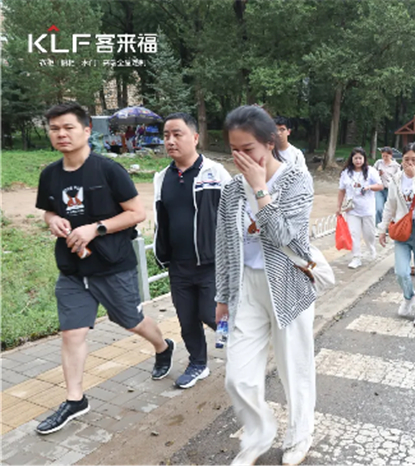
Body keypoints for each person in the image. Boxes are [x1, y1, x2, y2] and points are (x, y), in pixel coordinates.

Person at [34, 102, 173, 435]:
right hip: (72, 268)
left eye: (68, 127)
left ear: (86, 131)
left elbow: (136, 213)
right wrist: (53, 221)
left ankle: (163, 346)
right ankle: (75, 399)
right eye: (55, 129)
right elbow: (48, 211)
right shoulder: (49, 175)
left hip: (112, 265)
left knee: (131, 321)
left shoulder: (108, 170)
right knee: (72, 332)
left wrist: (94, 229)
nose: (61, 134)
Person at [216, 105, 316, 466]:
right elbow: (224, 244)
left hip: (288, 285)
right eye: (234, 150)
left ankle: (300, 435)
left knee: (295, 368)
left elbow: (287, 237)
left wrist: (260, 189)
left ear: (270, 143)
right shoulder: (231, 189)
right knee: (238, 377)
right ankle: (259, 435)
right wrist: (222, 296)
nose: (241, 158)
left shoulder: (296, 180)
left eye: (248, 149)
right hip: (246, 287)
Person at [153, 112, 232, 389]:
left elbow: (235, 214)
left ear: (195, 137)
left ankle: (240, 341)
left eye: (177, 134)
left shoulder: (215, 173)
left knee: (212, 315)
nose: (170, 141)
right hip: (179, 264)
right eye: (166, 135)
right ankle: (198, 363)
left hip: (212, 263)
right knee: (187, 318)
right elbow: (161, 219)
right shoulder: (162, 178)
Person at [378, 142, 415, 326]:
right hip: (402, 230)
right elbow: (390, 205)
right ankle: (409, 296)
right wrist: (382, 229)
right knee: (401, 272)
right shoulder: (396, 178)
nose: (409, 163)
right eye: (406, 159)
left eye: (414, 159)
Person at [337, 147, 383, 269]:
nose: (358, 161)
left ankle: (371, 248)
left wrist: (369, 187)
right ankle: (356, 257)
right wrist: (339, 206)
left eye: (360, 158)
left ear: (364, 159)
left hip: (367, 208)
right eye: (355, 158)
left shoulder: (371, 171)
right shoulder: (346, 173)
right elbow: (341, 190)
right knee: (354, 234)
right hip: (352, 209)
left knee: (369, 234)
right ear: (351, 159)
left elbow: (380, 186)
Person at [373, 147, 401, 225]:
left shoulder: (396, 166)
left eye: (387, 156)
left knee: (389, 210)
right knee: (379, 208)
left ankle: (388, 226)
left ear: (391, 155)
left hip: (390, 189)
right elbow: (372, 174)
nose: (385, 158)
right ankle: (379, 225)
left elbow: (398, 178)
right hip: (379, 188)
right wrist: (378, 173)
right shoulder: (378, 163)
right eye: (383, 156)